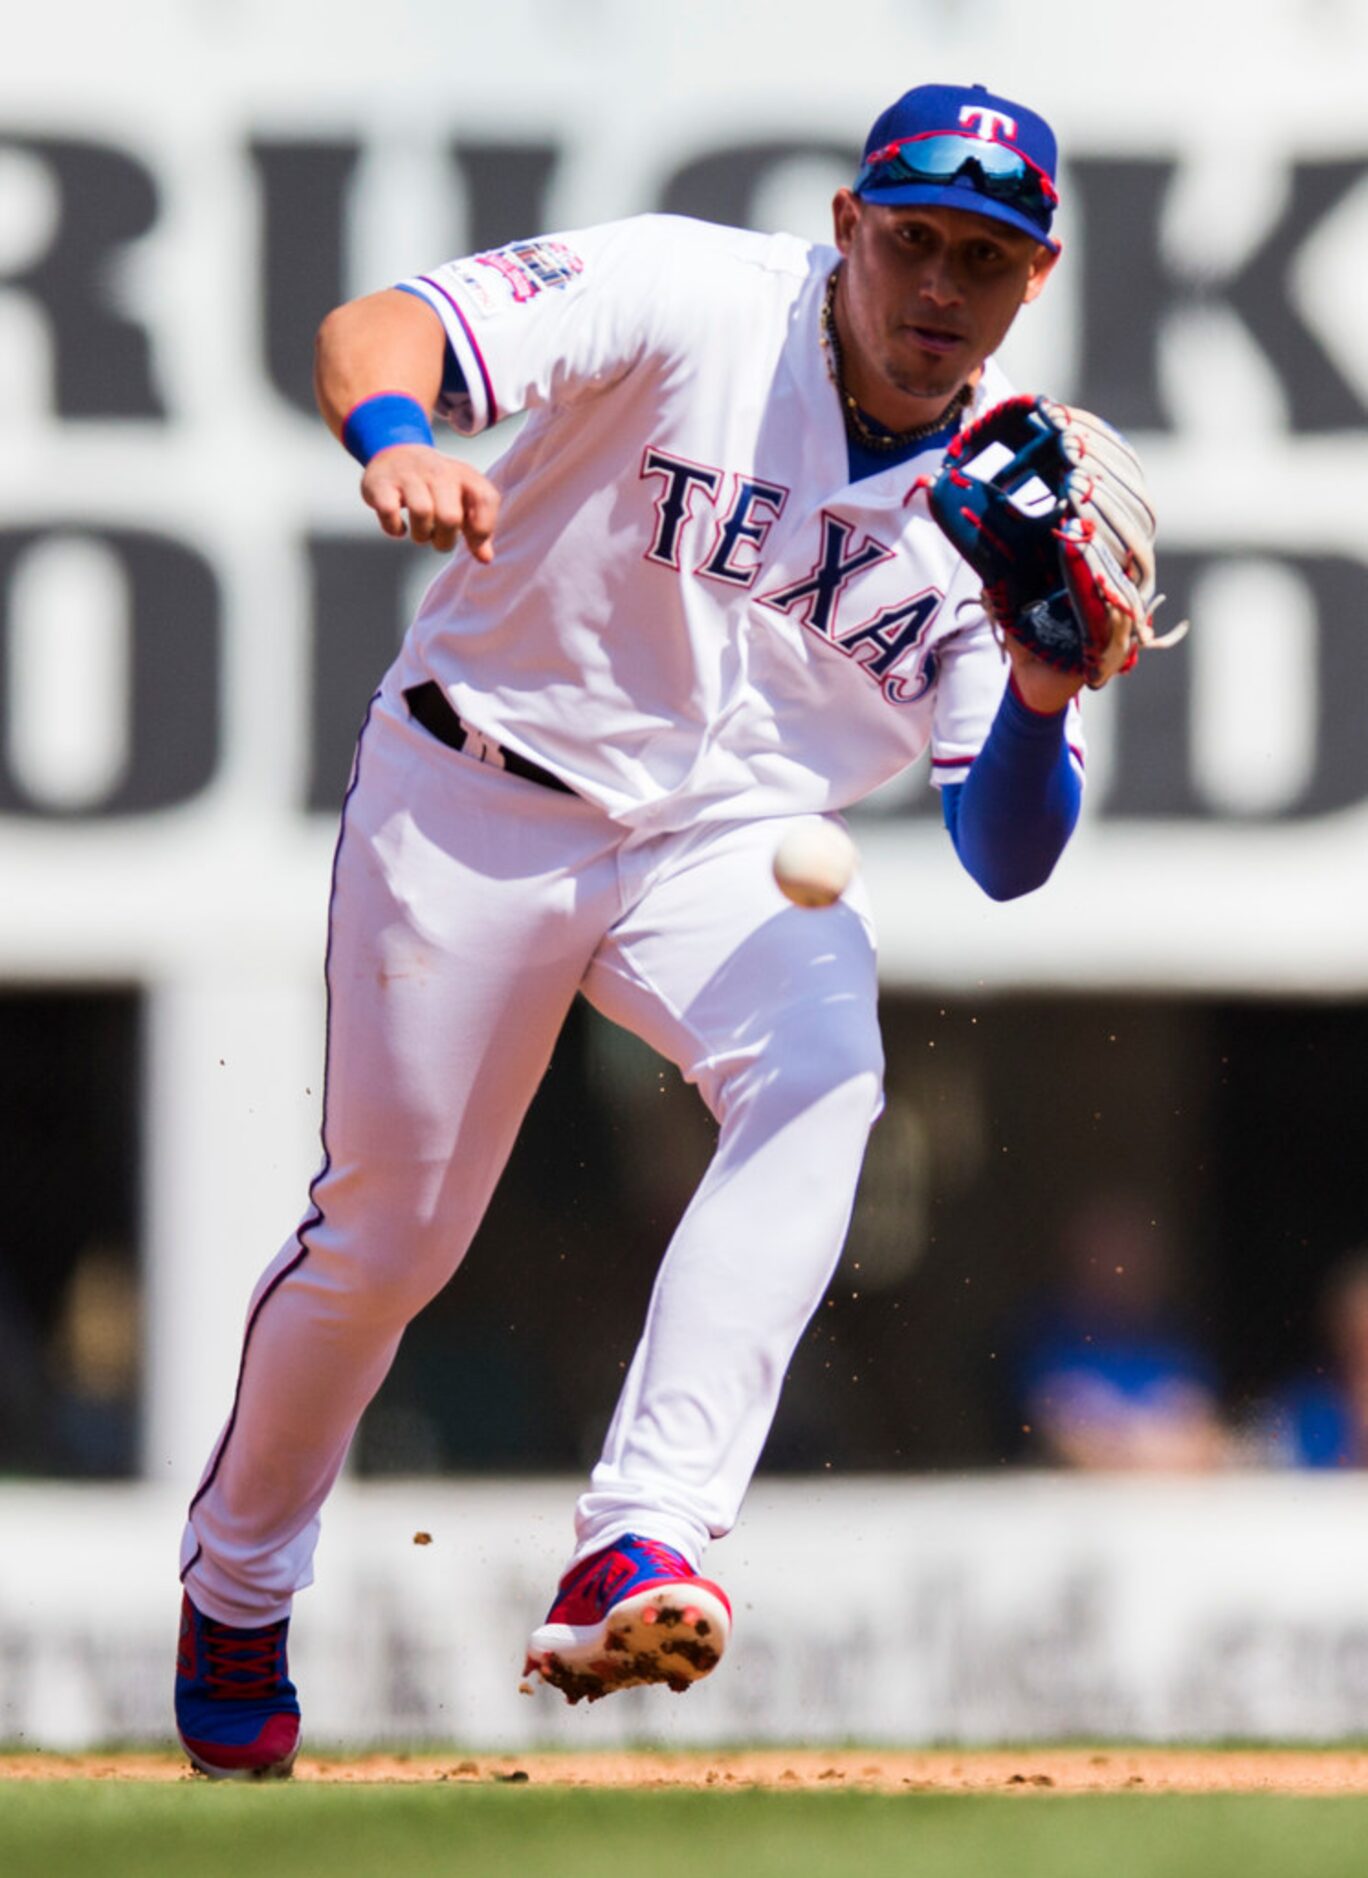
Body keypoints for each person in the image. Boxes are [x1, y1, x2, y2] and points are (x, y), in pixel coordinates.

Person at [174, 80, 1105, 1778]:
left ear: (1031, 280)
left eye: (984, 257)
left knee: (826, 1073)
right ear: (846, 225)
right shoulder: (691, 294)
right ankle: (238, 1579)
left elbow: (1008, 851)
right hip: (481, 783)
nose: (938, 288)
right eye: (912, 239)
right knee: (390, 1242)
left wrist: (1039, 686)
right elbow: (377, 328)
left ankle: (646, 1536)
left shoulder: (1008, 504)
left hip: (732, 837)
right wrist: (396, 440)